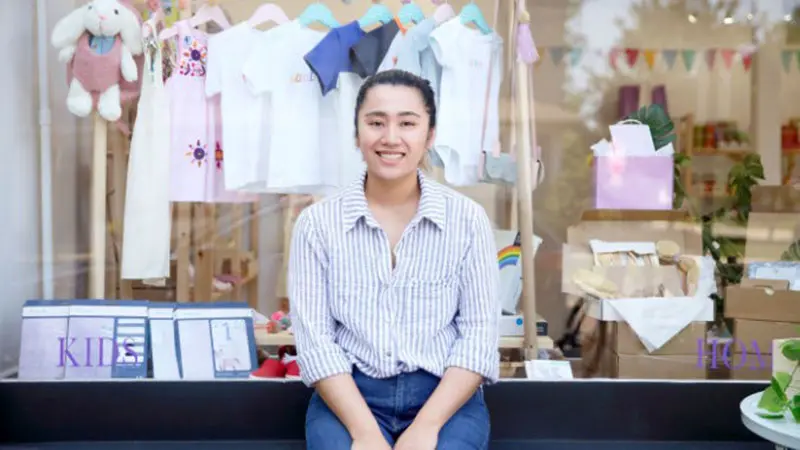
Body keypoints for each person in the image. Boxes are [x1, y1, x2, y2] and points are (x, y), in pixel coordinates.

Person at [289, 69, 500, 450]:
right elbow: (315, 342)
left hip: (445, 397)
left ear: (429, 135)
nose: (390, 138)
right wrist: (365, 432)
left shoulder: (467, 220)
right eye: (375, 122)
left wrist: (426, 427)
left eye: (407, 123)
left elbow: (479, 337)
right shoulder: (316, 225)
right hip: (349, 397)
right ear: (357, 134)